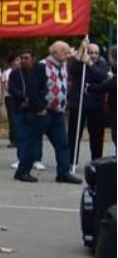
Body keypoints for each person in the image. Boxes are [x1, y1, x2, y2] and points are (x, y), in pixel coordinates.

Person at [26, 41, 81, 184]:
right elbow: (31, 89)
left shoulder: (62, 65)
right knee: (32, 142)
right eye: (65, 52)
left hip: (58, 112)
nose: (67, 54)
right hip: (44, 111)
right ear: (55, 52)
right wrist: (39, 107)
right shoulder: (41, 66)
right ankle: (23, 171)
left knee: (63, 144)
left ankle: (63, 173)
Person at [66, 40, 108, 163]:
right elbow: (73, 69)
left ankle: (96, 161)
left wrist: (90, 63)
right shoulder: (80, 63)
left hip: (96, 105)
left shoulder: (101, 64)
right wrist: (81, 49)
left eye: (96, 53)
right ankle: (71, 161)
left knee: (96, 135)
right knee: (74, 134)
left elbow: (101, 76)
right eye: (90, 52)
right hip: (78, 104)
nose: (93, 55)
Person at [7, 49, 42, 182]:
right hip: (19, 109)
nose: (23, 60)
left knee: (34, 136)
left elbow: (42, 88)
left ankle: (36, 159)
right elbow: (12, 88)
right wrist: (23, 97)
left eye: (26, 58)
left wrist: (34, 100)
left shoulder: (38, 72)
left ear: (32, 59)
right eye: (21, 58)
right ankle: (22, 161)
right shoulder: (15, 73)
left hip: (34, 109)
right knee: (21, 136)